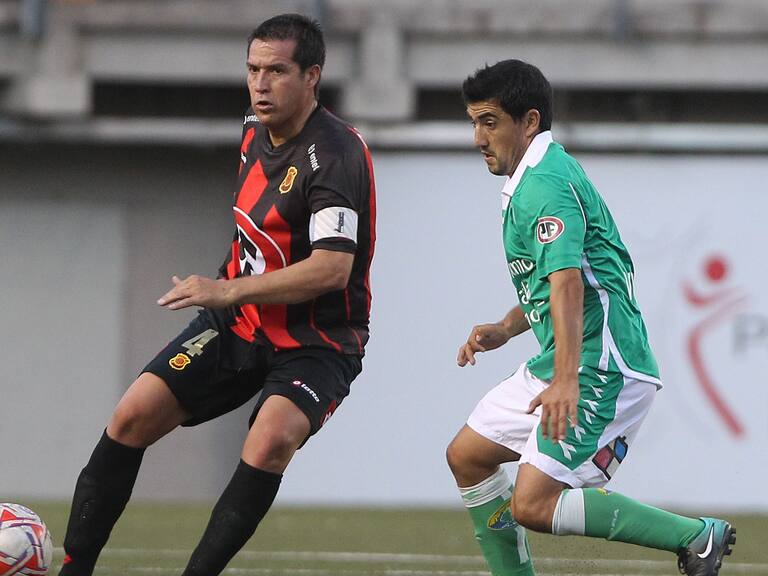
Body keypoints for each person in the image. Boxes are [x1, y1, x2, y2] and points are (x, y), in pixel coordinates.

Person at [58, 13, 376, 576]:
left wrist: (226, 288)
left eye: (276, 70)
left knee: (270, 440)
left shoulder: (336, 156)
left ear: (312, 77)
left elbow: (331, 268)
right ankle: (74, 568)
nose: (259, 83)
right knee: (131, 417)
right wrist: (230, 296)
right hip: (238, 324)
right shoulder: (253, 129)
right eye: (253, 69)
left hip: (316, 340)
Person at [445, 59, 735, 576]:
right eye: (474, 122)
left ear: (529, 121)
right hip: (563, 359)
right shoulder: (534, 178)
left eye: (489, 122)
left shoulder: (545, 183)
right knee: (467, 456)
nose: (477, 137)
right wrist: (507, 327)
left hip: (601, 366)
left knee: (532, 505)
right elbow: (557, 276)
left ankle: (697, 537)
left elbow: (569, 282)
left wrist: (564, 379)